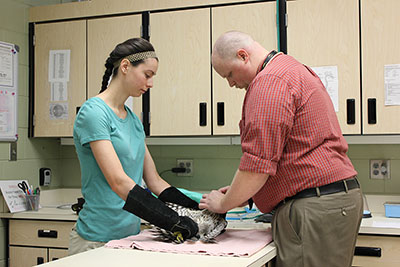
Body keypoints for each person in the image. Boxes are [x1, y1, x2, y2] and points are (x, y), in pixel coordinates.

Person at [199, 31, 363, 267]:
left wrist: (223, 204)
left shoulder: (269, 82)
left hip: (313, 207)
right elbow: (291, 151)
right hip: (333, 200)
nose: (231, 83)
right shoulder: (292, 69)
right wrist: (244, 194)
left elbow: (257, 165)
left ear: (243, 55)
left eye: (230, 74)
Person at [69, 38, 199, 255]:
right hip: (94, 242)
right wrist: (173, 221)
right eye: (147, 75)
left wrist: (201, 204)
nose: (151, 84)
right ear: (126, 67)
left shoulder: (133, 120)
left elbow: (155, 182)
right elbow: (118, 182)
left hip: (128, 239)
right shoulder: (94, 113)